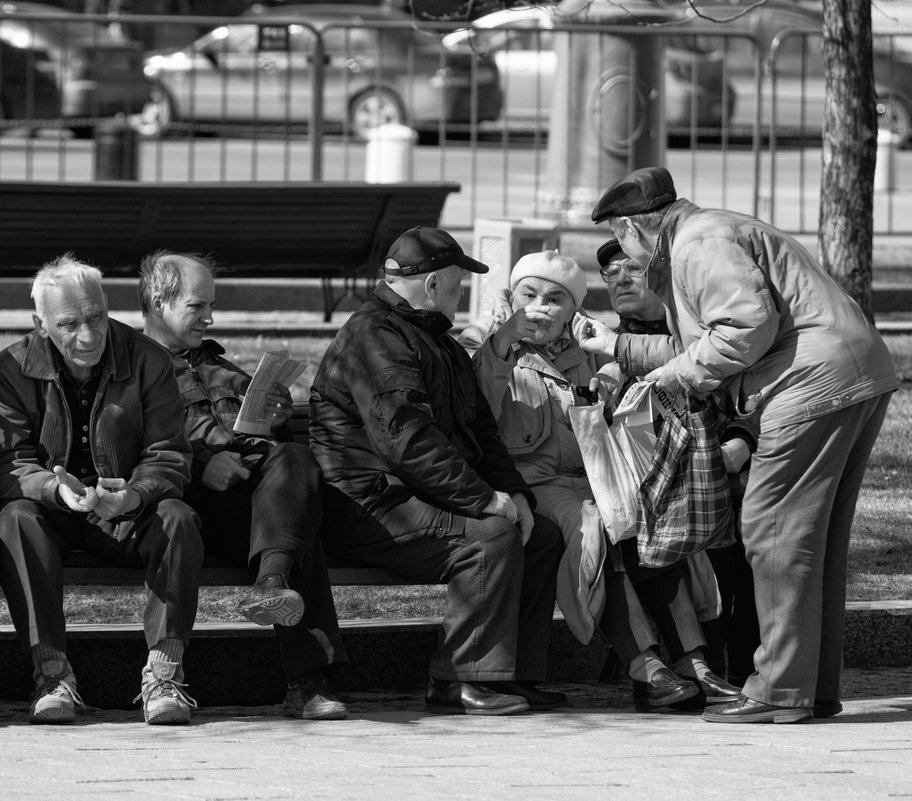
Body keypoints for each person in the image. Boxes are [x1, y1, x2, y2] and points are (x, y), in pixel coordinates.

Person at [582, 166, 899, 723]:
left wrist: (671, 378)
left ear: (632, 226)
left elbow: (741, 332)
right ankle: (808, 687)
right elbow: (716, 339)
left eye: (622, 239)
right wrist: (619, 347)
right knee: (810, 542)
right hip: (849, 372)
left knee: (773, 532)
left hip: (809, 381)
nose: (625, 255)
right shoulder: (710, 231)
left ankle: (778, 688)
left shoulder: (696, 245)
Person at [459, 250, 739, 713]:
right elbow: (474, 410)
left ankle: (695, 664)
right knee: (600, 529)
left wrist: (613, 377)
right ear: (512, 297)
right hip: (533, 485)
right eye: (529, 294)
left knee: (651, 526)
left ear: (574, 310)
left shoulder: (588, 349)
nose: (540, 307)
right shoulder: (485, 341)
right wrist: (501, 341)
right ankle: (647, 668)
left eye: (555, 299)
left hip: (598, 478)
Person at [308, 226, 566, 716]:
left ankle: (511, 675)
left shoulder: (438, 343)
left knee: (542, 537)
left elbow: (481, 433)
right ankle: (457, 679)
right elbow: (405, 438)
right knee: (489, 537)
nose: (462, 292)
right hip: (370, 505)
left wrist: (517, 494)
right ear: (431, 287)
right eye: (457, 283)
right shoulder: (374, 336)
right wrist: (485, 501)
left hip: (415, 496)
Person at [138, 251, 349, 721]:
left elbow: (260, 441)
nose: (210, 317)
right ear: (158, 300)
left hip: (251, 508)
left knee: (292, 463)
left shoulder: (221, 368)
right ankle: (306, 681)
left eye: (211, 305)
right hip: (185, 512)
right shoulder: (130, 368)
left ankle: (271, 583)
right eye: (197, 306)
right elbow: (125, 448)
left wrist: (272, 420)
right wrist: (201, 469)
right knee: (295, 531)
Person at [0, 255, 203, 726]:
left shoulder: (148, 357)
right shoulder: (11, 369)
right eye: (68, 324)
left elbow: (169, 454)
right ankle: (52, 676)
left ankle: (165, 675)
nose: (88, 336)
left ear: (106, 304)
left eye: (95, 317)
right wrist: (53, 488)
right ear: (40, 323)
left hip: (127, 509)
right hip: (50, 510)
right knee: (13, 519)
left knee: (178, 518)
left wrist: (130, 496)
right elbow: (10, 464)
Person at [597, 237, 761, 686]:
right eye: (610, 273)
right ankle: (702, 666)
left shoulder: (707, 336)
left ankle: (741, 668)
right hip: (641, 488)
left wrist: (741, 441)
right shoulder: (602, 347)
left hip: (719, 478)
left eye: (632, 268)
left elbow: (753, 397)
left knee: (746, 523)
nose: (620, 279)